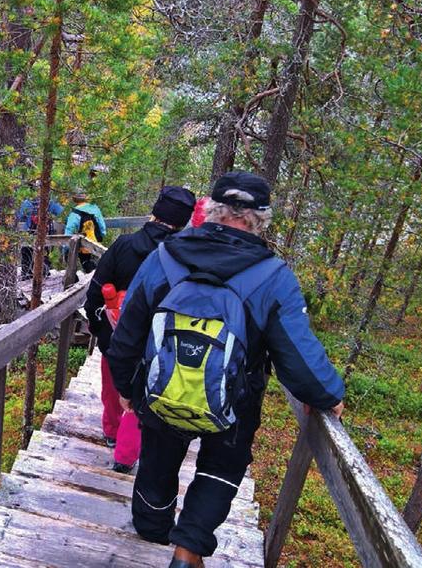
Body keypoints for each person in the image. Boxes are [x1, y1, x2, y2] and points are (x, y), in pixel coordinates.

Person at [105, 171, 346, 568]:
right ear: (261, 219)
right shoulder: (274, 277)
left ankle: (151, 523)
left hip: (161, 388)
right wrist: (329, 395)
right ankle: (188, 549)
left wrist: (127, 388)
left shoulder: (164, 257)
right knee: (222, 466)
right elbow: (298, 356)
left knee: (159, 456)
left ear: (210, 210)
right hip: (236, 400)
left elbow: (128, 333)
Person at [85, 187, 196, 474]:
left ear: (155, 212)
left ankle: (111, 431)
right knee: (147, 393)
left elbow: (94, 295)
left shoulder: (124, 245)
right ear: (183, 222)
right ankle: (132, 449)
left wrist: (103, 335)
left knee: (113, 387)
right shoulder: (188, 257)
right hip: (162, 344)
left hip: (117, 335)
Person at [17, 192, 63, 280]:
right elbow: (62, 212)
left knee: (26, 251)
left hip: (29, 231)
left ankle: (26, 272)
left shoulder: (26, 203)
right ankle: (43, 272)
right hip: (45, 231)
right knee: (44, 251)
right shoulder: (50, 202)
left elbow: (20, 216)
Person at [64, 191, 107, 272]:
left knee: (84, 261)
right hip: (96, 240)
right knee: (96, 262)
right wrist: (101, 235)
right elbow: (102, 226)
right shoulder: (95, 208)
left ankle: (77, 278)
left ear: (75, 200)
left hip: (83, 242)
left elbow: (69, 230)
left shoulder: (74, 213)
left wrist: (65, 248)